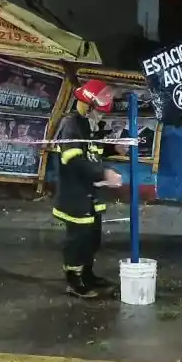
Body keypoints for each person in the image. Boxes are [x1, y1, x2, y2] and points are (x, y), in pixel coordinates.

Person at [53, 79, 125, 298]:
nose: (101, 117)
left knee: (92, 240)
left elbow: (93, 150)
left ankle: (88, 274)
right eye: (99, 112)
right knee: (77, 241)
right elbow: (73, 159)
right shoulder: (71, 125)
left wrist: (113, 148)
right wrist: (103, 174)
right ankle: (74, 281)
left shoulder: (87, 126)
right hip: (75, 197)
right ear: (87, 106)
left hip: (91, 196)